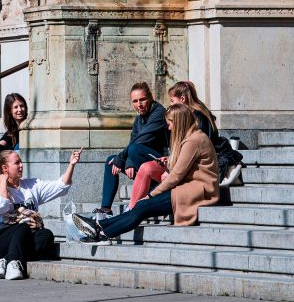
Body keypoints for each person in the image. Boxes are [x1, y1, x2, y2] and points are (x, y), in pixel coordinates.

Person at [73, 103, 220, 240]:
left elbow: (175, 176)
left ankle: (102, 232)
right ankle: (99, 228)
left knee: (143, 206)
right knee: (141, 206)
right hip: (188, 188)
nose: (169, 128)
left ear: (179, 122)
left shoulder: (193, 141)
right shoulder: (193, 137)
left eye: (170, 124)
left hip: (198, 191)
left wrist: (151, 194)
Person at [128, 81, 243, 208]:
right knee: (142, 164)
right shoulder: (193, 115)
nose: (170, 105)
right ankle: (132, 208)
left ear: (182, 99)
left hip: (201, 169)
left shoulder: (198, 118)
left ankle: (136, 207)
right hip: (189, 165)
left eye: (172, 101)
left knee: (142, 159)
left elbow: (194, 151)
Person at [0, 149, 80, 280]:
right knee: (23, 226)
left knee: (46, 235)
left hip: (23, 240)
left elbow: (61, 186)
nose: (21, 165)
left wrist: (71, 164)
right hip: (0, 241)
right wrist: (3, 182)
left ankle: (7, 261)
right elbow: (1, 207)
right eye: (17, 163)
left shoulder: (31, 186)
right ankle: (12, 261)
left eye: (21, 162)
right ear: (5, 168)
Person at [95, 82, 168, 216]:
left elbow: (142, 139)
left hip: (163, 163)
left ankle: (152, 186)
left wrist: (122, 158)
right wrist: (128, 162)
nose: (139, 104)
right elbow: (133, 141)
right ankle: (106, 209)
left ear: (150, 98)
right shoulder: (139, 120)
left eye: (142, 99)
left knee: (131, 151)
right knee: (110, 161)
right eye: (135, 101)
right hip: (143, 158)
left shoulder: (159, 113)